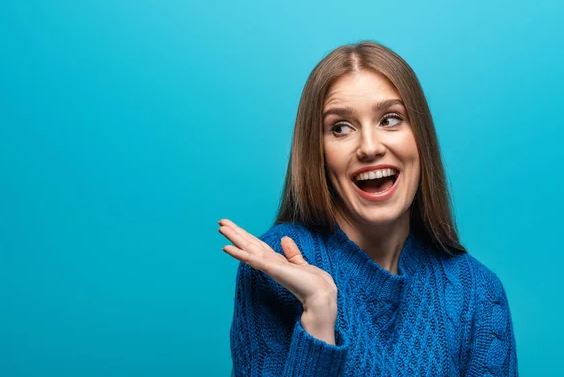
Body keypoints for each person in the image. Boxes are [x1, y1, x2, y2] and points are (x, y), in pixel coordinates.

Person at [218, 41, 518, 376]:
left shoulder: (478, 291)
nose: (370, 147)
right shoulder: (275, 266)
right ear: (318, 152)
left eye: (390, 119)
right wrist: (318, 314)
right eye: (340, 128)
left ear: (420, 138)